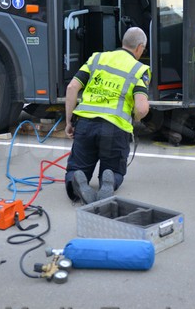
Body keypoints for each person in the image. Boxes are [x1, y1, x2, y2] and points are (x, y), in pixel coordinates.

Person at [64, 27, 151, 203]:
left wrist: (68, 122)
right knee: (115, 170)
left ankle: (77, 179)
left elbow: (72, 87)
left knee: (76, 168)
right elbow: (142, 108)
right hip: (115, 128)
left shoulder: (97, 58)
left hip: (85, 124)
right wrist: (134, 119)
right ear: (140, 47)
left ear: (123, 43)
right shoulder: (139, 69)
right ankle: (108, 180)